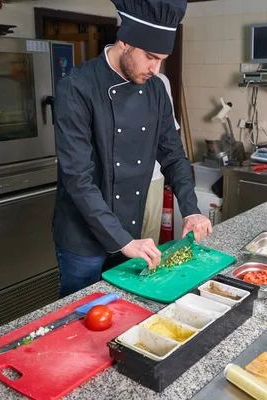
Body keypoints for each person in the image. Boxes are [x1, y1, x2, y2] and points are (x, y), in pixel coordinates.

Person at [52, 0, 212, 298]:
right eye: (150, 57)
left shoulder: (155, 90)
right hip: (82, 238)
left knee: (121, 310)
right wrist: (122, 241)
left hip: (130, 228)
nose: (156, 69)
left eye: (162, 59)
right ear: (124, 41)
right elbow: (78, 178)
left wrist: (191, 209)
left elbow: (173, 155)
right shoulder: (76, 87)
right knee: (79, 314)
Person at [141, 73, 179, 245]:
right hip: (119, 178)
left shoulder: (161, 81)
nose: (154, 67)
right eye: (151, 57)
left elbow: (169, 134)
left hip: (153, 175)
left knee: (148, 238)